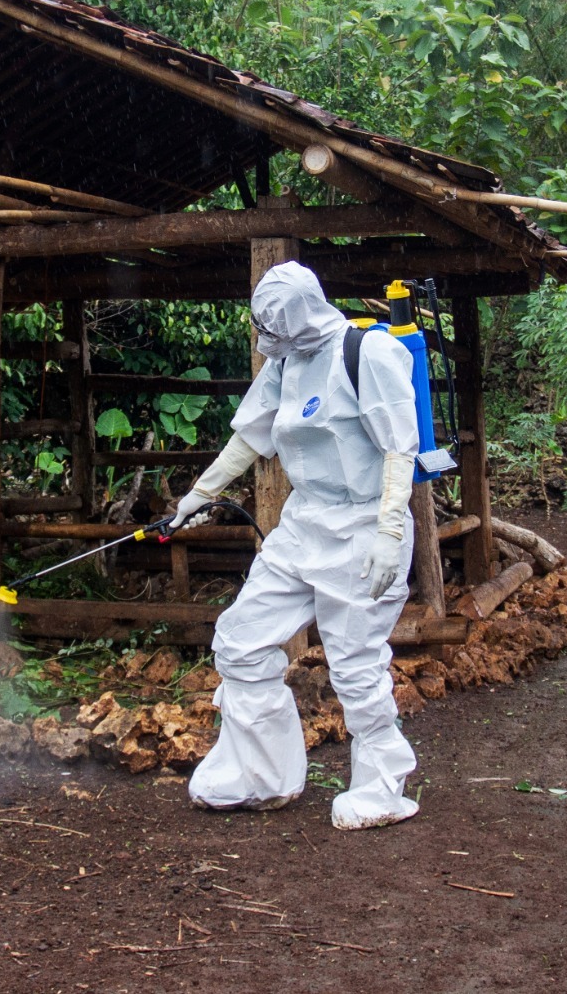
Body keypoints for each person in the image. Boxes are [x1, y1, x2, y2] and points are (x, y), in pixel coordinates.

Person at [175, 261, 423, 830]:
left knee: (355, 664)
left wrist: (389, 531)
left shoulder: (368, 354)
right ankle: (261, 772)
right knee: (239, 639)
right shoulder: (286, 364)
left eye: (274, 325)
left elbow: (398, 448)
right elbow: (251, 435)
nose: (269, 338)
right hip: (303, 524)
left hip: (363, 527)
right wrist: (200, 494)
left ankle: (382, 785)